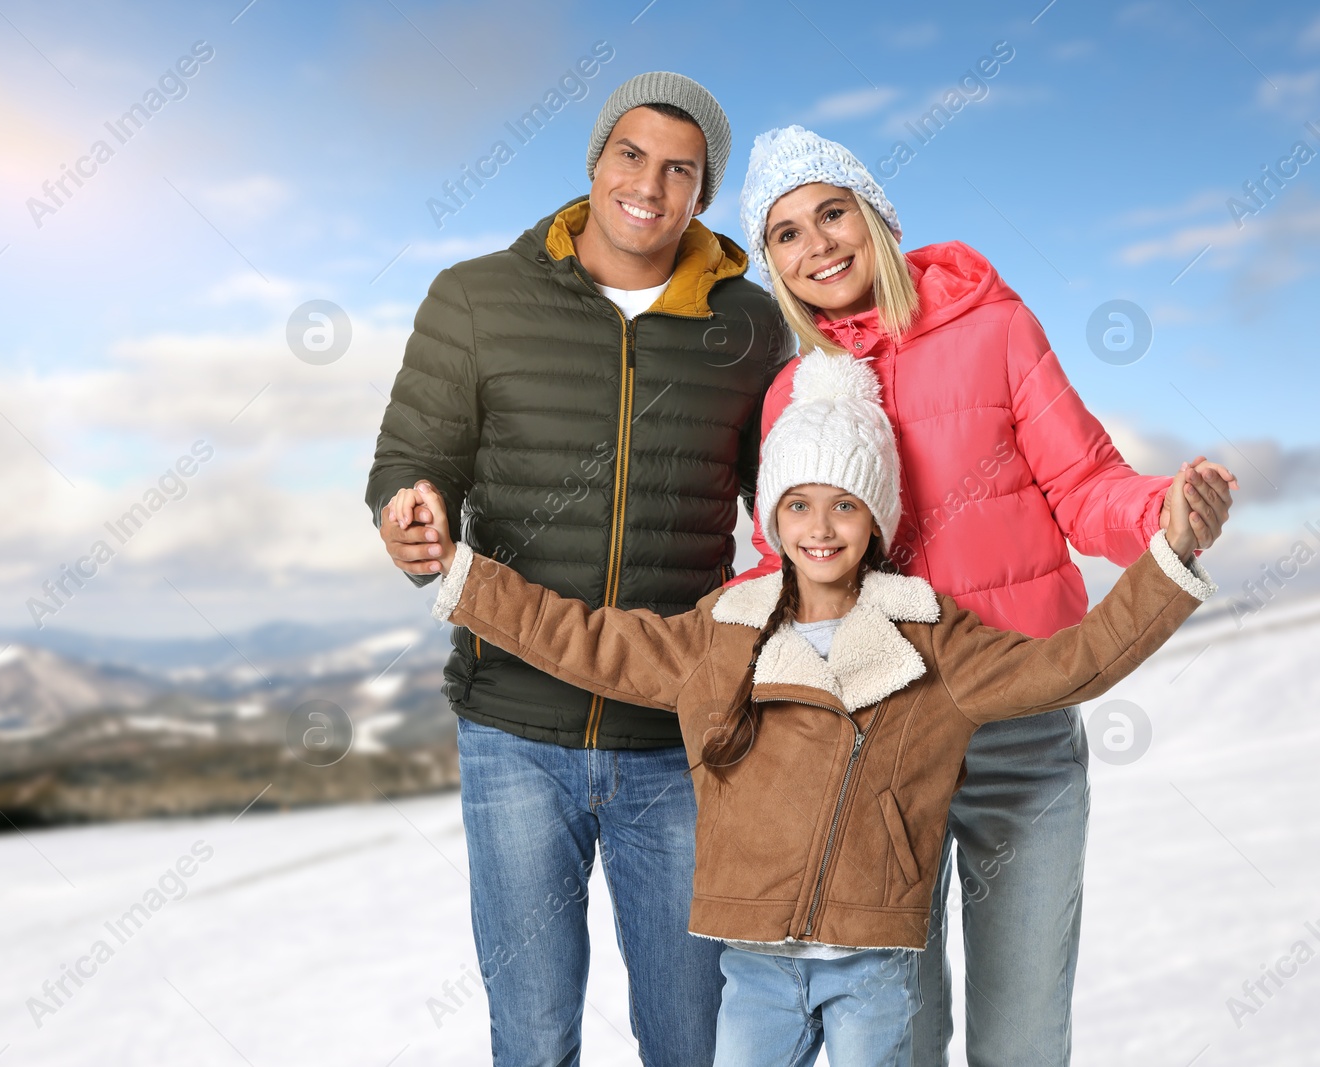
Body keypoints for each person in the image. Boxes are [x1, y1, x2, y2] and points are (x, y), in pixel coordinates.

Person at [390, 348, 1222, 1064]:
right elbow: (587, 641)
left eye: (844, 504)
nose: (820, 527)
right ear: (774, 516)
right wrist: (463, 574)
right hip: (753, 965)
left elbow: (1076, 663)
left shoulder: (932, 639)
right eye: (797, 503)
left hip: (875, 967)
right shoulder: (724, 631)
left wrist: (1168, 555)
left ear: (875, 517)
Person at [728, 125, 1239, 1063]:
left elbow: (1085, 487)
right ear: (773, 264)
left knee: (1021, 1036)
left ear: (875, 216)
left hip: (1020, 722)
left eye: (832, 212)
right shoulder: (795, 389)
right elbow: (783, 566)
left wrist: (1166, 515)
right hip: (877, 746)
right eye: (787, 233)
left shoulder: (996, 329)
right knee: (898, 1037)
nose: (818, 245)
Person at [365, 73, 786, 1065]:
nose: (650, 183)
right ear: (596, 162)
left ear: (702, 195)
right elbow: (410, 460)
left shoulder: (749, 327)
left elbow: (783, 510)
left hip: (676, 742)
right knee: (534, 1035)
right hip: (513, 727)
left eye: (680, 169)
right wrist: (409, 512)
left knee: (694, 1037)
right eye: (631, 155)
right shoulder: (475, 298)